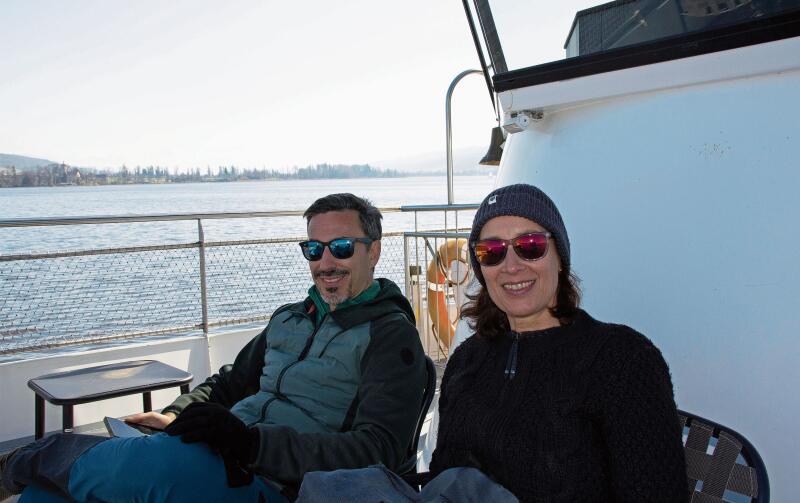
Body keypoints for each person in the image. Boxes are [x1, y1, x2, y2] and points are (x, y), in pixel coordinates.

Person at [0, 193, 427, 503]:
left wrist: (250, 445)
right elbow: (229, 384)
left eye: (341, 247)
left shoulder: (390, 337)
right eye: (314, 249)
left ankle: (18, 463)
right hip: (224, 455)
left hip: (282, 483)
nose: (325, 262)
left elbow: (378, 450)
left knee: (148, 467)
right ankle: (39, 467)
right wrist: (174, 413)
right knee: (45, 496)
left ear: (374, 252)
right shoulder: (291, 318)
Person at [427, 184, 689, 502]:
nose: (511, 265)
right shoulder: (466, 362)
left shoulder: (622, 360)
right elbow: (442, 477)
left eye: (530, 245)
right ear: (482, 270)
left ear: (560, 258)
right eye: (492, 252)